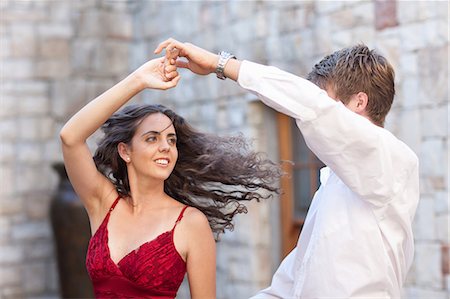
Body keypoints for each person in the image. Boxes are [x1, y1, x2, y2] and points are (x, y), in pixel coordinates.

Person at [155, 39, 420, 298]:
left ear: (359, 102)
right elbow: (293, 282)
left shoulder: (394, 159)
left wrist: (220, 64)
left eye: (326, 98)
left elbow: (313, 107)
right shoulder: (334, 182)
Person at [59, 53, 281, 298]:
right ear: (125, 151)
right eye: (152, 138)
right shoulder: (103, 203)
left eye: (171, 140)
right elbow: (70, 138)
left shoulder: (190, 223)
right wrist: (138, 80)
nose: (165, 146)